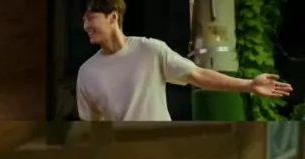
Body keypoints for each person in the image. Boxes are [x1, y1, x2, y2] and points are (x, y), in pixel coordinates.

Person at [77, 0, 292, 120]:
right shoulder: (87, 72)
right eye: (84, 19)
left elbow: (198, 75)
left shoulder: (149, 50)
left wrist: (250, 85)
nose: (86, 26)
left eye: (91, 18)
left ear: (113, 17)